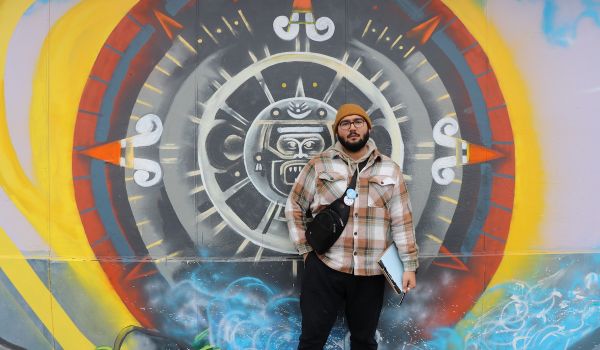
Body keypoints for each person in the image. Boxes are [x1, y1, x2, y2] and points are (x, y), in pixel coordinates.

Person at [285, 103, 419, 350]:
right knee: (311, 340)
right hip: (325, 267)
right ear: (338, 131)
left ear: (368, 127)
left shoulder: (389, 168)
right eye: (345, 124)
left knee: (364, 342)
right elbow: (294, 205)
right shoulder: (319, 165)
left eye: (358, 122)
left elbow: (402, 218)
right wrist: (306, 251)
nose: (352, 128)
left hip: (370, 272)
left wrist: (409, 266)